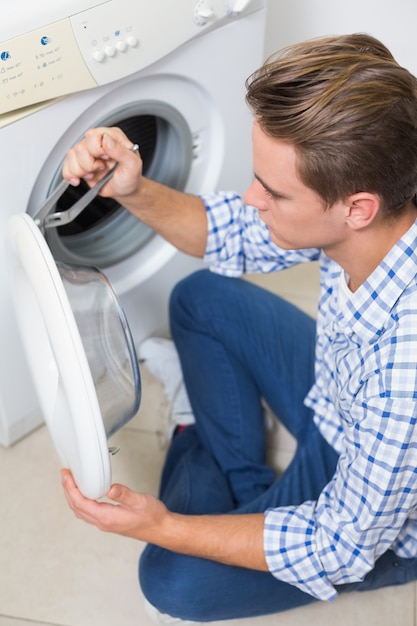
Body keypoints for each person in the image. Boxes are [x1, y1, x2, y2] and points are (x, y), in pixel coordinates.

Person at [61, 33, 417, 623]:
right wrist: (132, 188)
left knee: (172, 580)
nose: (251, 197)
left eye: (273, 192)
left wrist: (167, 525)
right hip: (336, 395)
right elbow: (236, 233)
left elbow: (340, 544)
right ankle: (247, 483)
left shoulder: (404, 378)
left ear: (358, 208)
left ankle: (199, 443)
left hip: (377, 519)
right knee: (201, 299)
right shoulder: (382, 197)